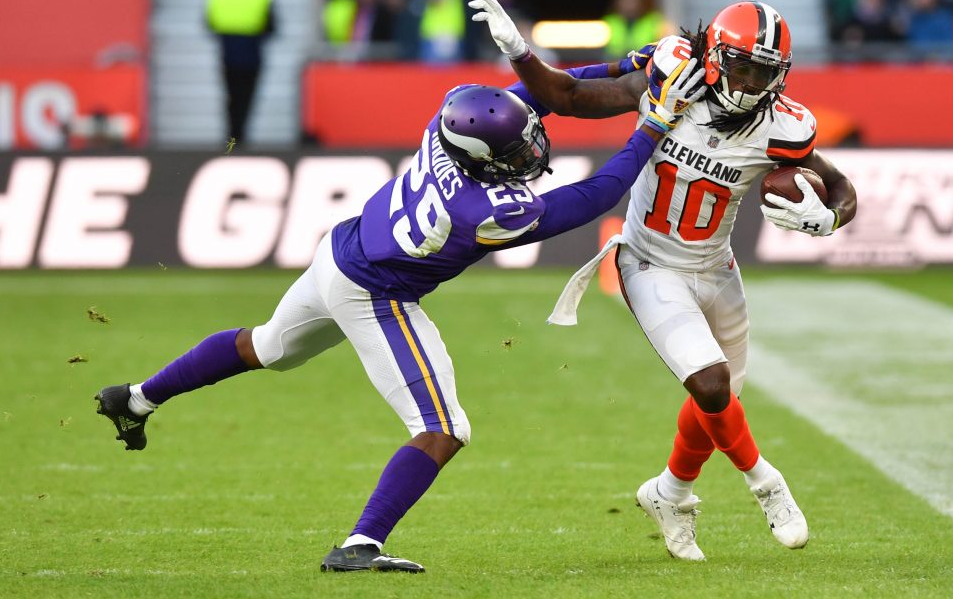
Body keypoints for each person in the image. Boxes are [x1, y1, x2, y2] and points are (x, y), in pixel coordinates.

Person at [93, 44, 673, 573]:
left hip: (340, 250)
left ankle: (136, 398)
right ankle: (361, 544)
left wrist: (620, 69)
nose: (529, 151)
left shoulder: (447, 125)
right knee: (443, 429)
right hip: (374, 291)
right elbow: (594, 196)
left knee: (266, 346)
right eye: (516, 149)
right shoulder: (481, 210)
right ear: (481, 157)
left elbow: (539, 97)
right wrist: (651, 126)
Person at [471, 0, 858, 561]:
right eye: (744, 67)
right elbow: (570, 94)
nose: (753, 83)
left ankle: (670, 493)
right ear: (717, 57)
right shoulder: (671, 77)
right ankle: (766, 484)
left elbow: (843, 188)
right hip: (649, 261)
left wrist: (828, 218)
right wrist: (520, 53)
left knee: (715, 407)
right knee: (710, 385)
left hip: (718, 268)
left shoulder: (783, 126)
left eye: (765, 72)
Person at [205, 0, 276, 145]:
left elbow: (208, 22)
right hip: (252, 49)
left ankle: (232, 135)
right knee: (247, 95)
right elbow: (272, 25)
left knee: (231, 95)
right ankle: (240, 134)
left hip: (228, 49)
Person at [602, 0, 667, 61]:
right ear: (617, 2)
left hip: (644, 67)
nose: (629, 4)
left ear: (642, 1)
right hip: (615, 66)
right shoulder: (609, 22)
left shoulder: (654, 21)